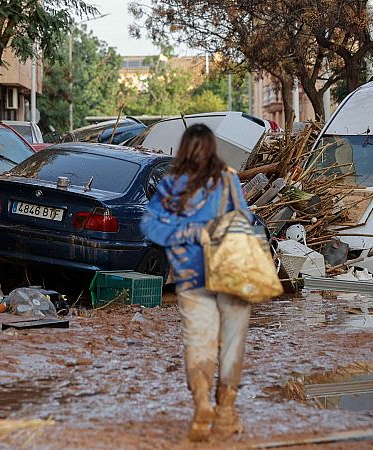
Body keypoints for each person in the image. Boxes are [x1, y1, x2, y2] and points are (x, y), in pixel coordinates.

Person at [140, 124, 253, 442]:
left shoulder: (172, 185)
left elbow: (149, 226)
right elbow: (244, 219)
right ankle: (226, 413)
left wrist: (184, 234)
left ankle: (202, 404)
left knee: (199, 343)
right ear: (213, 148)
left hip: (190, 278)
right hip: (228, 275)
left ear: (185, 148)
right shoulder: (228, 178)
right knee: (231, 344)